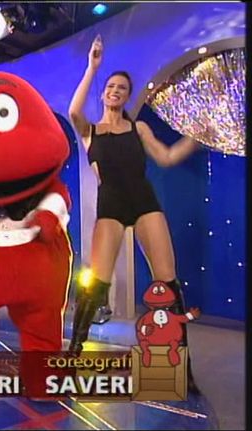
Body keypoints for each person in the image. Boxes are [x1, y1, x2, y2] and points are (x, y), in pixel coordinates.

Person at [66, 35, 200, 385]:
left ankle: (183, 367)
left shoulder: (138, 128)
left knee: (167, 284)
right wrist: (92, 67)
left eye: (122, 88)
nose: (115, 91)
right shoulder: (90, 131)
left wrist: (196, 136)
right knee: (97, 284)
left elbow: (166, 157)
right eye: (111, 87)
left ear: (127, 97)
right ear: (103, 93)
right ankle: (72, 357)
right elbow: (74, 111)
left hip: (144, 202)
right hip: (110, 205)